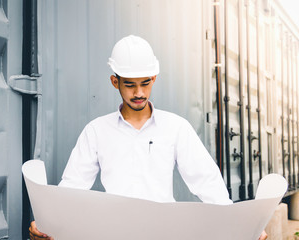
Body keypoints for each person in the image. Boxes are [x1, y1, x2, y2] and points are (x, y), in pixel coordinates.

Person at [29, 35, 267, 240]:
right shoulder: (97, 131)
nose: (139, 93)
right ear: (115, 82)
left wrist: (241, 227)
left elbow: (207, 182)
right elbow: (72, 189)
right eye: (130, 85)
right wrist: (49, 225)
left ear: (154, 78)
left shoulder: (175, 128)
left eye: (145, 83)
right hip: (114, 234)